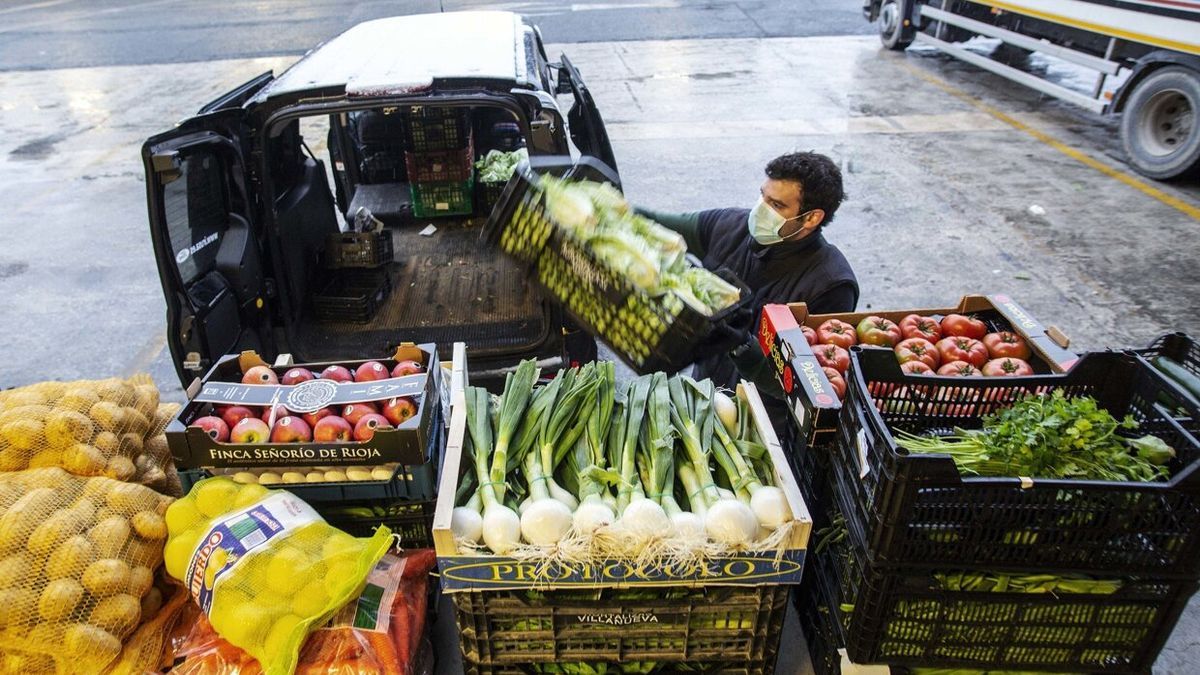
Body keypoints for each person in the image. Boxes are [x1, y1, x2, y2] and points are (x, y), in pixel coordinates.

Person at [638, 151, 859, 396]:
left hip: (763, 421)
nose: (761, 210)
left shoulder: (831, 284)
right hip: (702, 394)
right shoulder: (731, 225)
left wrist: (740, 345)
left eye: (776, 205)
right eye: (763, 196)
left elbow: (805, 386)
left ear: (811, 218)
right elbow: (661, 223)